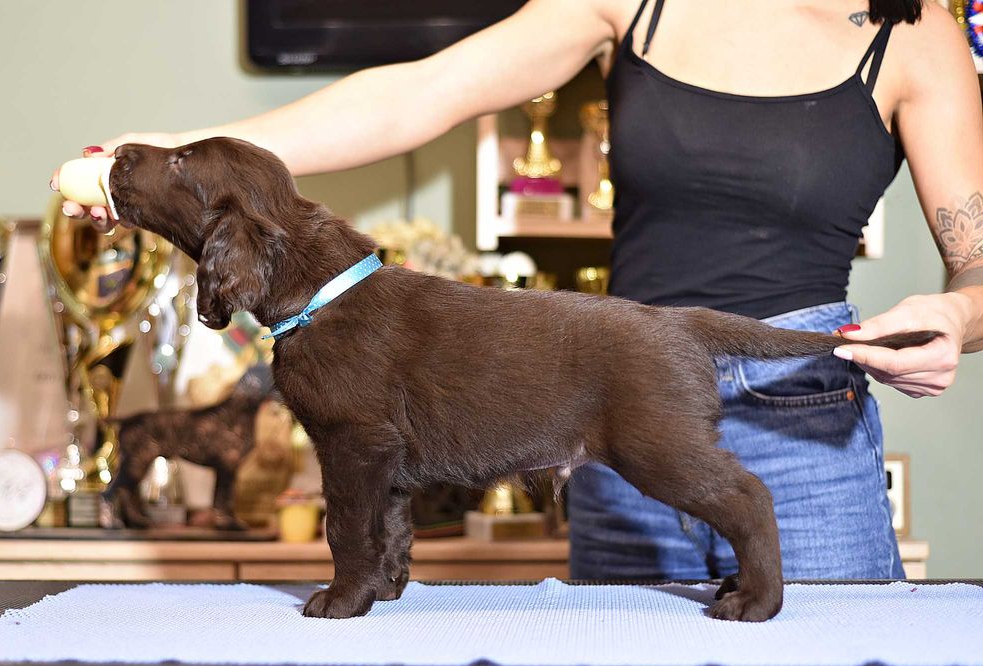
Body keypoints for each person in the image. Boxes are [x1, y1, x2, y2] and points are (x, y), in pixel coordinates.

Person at [54, 0, 983, 580]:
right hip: (609, 396)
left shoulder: (916, 33)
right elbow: (419, 94)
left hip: (805, 419)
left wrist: (956, 313)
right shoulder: (637, 1)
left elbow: (978, 269)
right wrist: (163, 161)